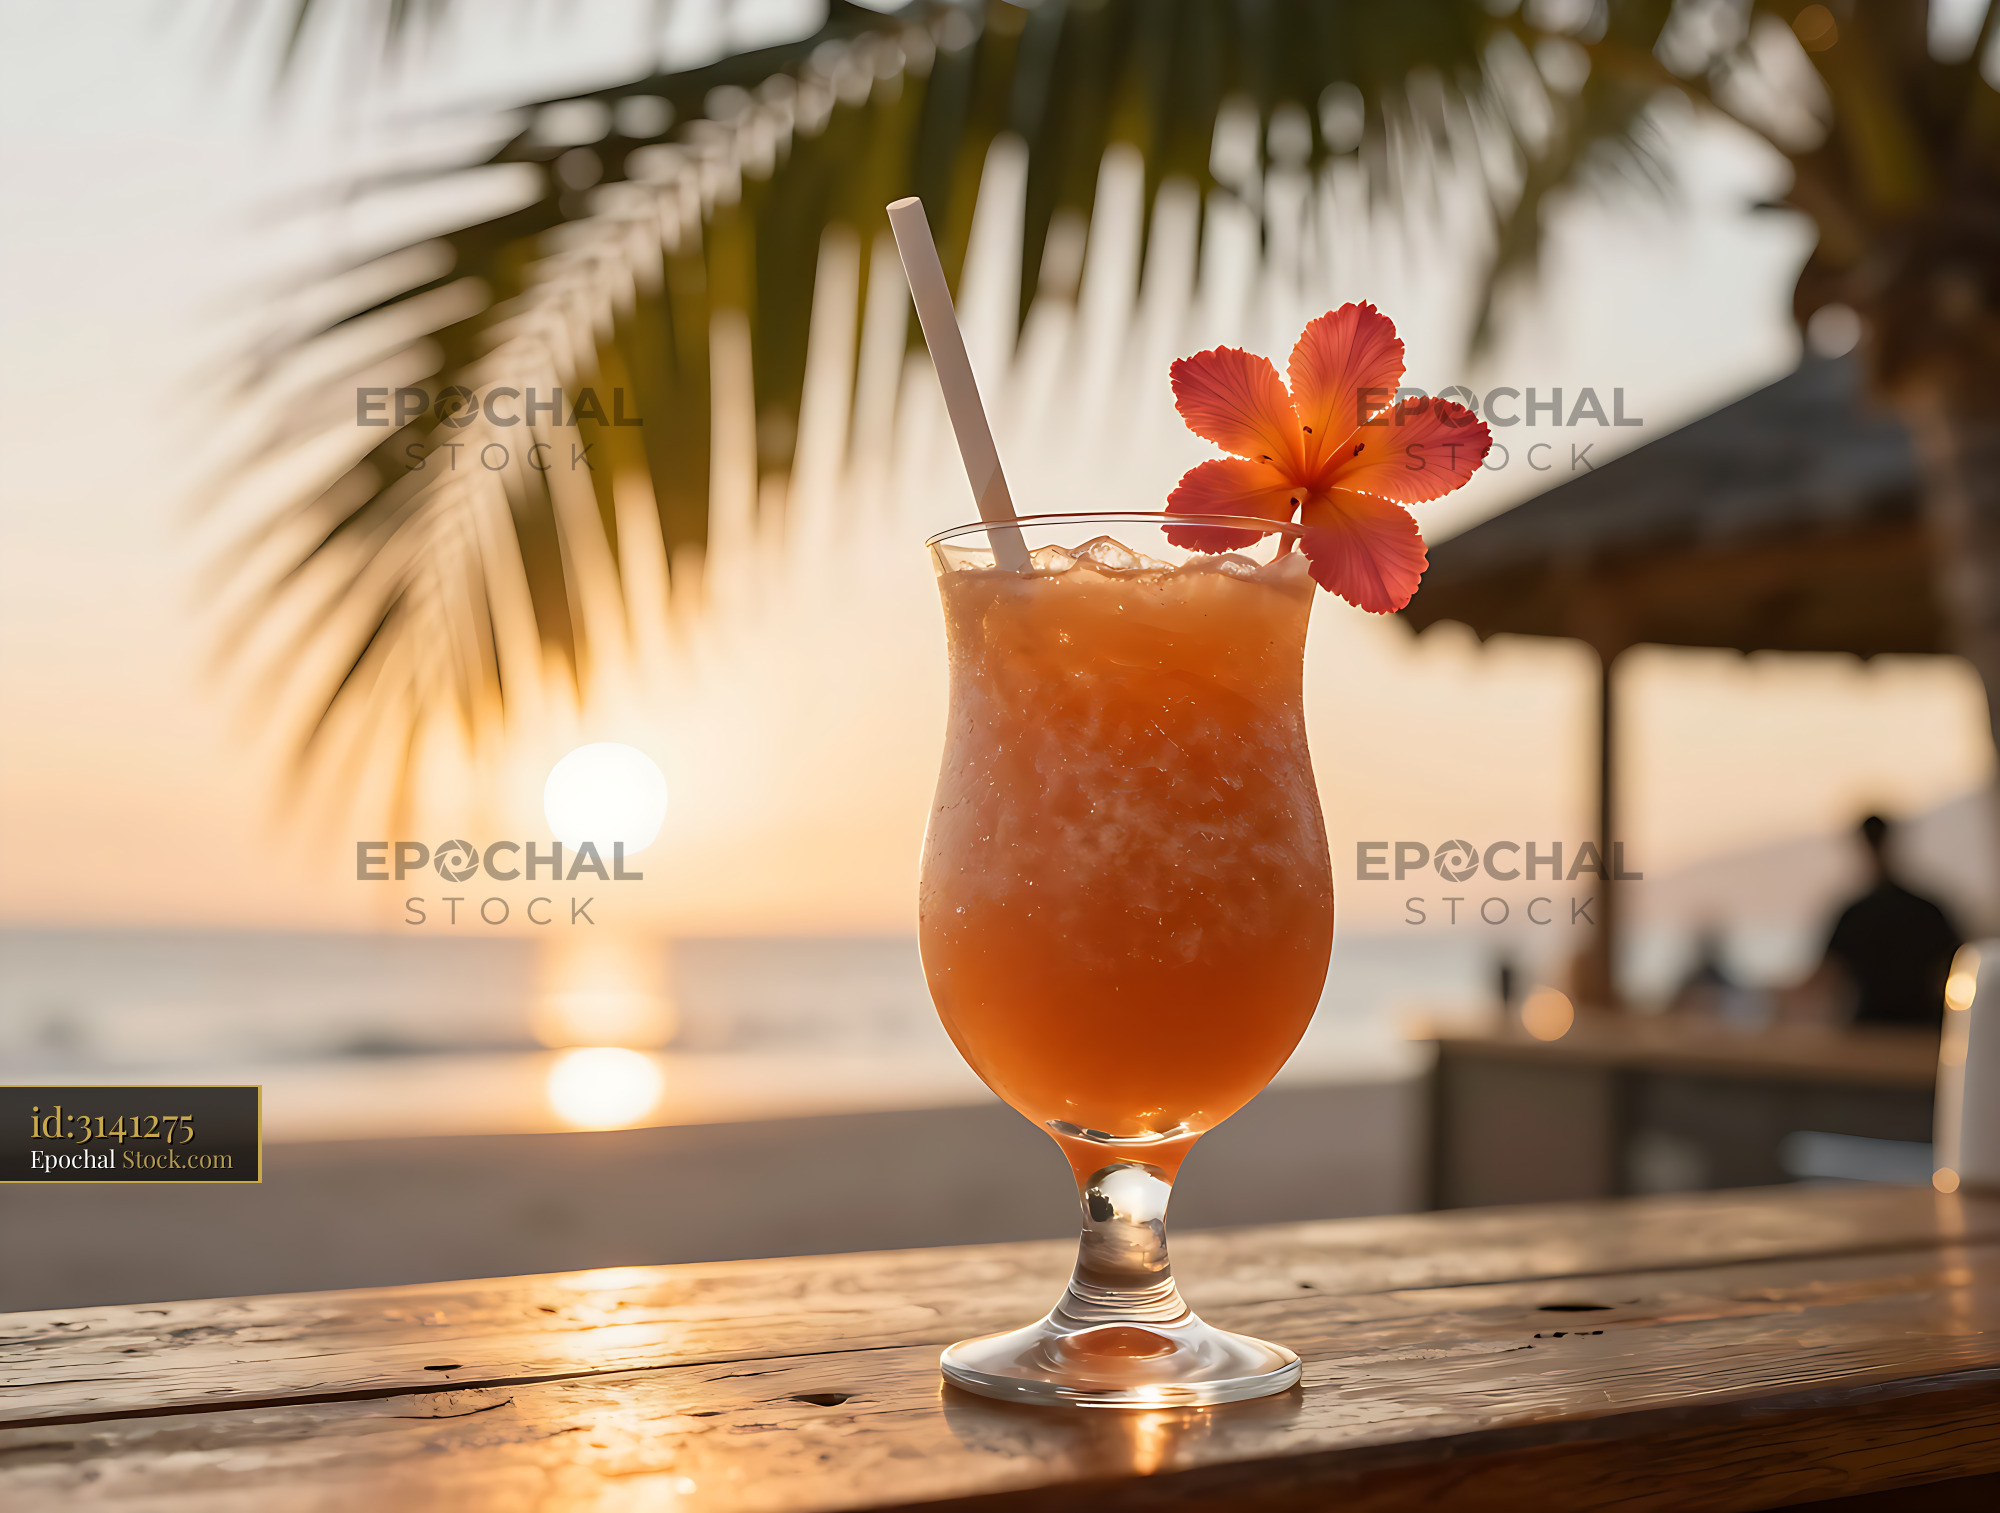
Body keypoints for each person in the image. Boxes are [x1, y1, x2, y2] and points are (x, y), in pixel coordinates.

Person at [1809, 815, 1961, 1030]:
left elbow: (1826, 976)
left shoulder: (1854, 914)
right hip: (1923, 1030)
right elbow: (1959, 965)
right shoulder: (1926, 910)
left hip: (1873, 1032)